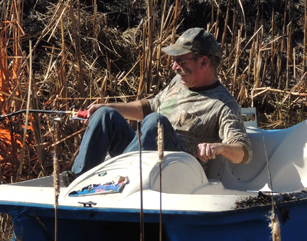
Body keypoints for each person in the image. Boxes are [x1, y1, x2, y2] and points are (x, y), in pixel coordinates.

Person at [60, 27, 252, 185]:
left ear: (203, 62)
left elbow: (243, 152)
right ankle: (78, 180)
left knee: (156, 122)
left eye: (180, 61)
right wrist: (107, 106)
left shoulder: (224, 104)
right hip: (147, 160)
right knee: (105, 115)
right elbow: (150, 106)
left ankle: (114, 180)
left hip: (180, 172)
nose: (174, 67)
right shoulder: (180, 82)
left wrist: (219, 148)